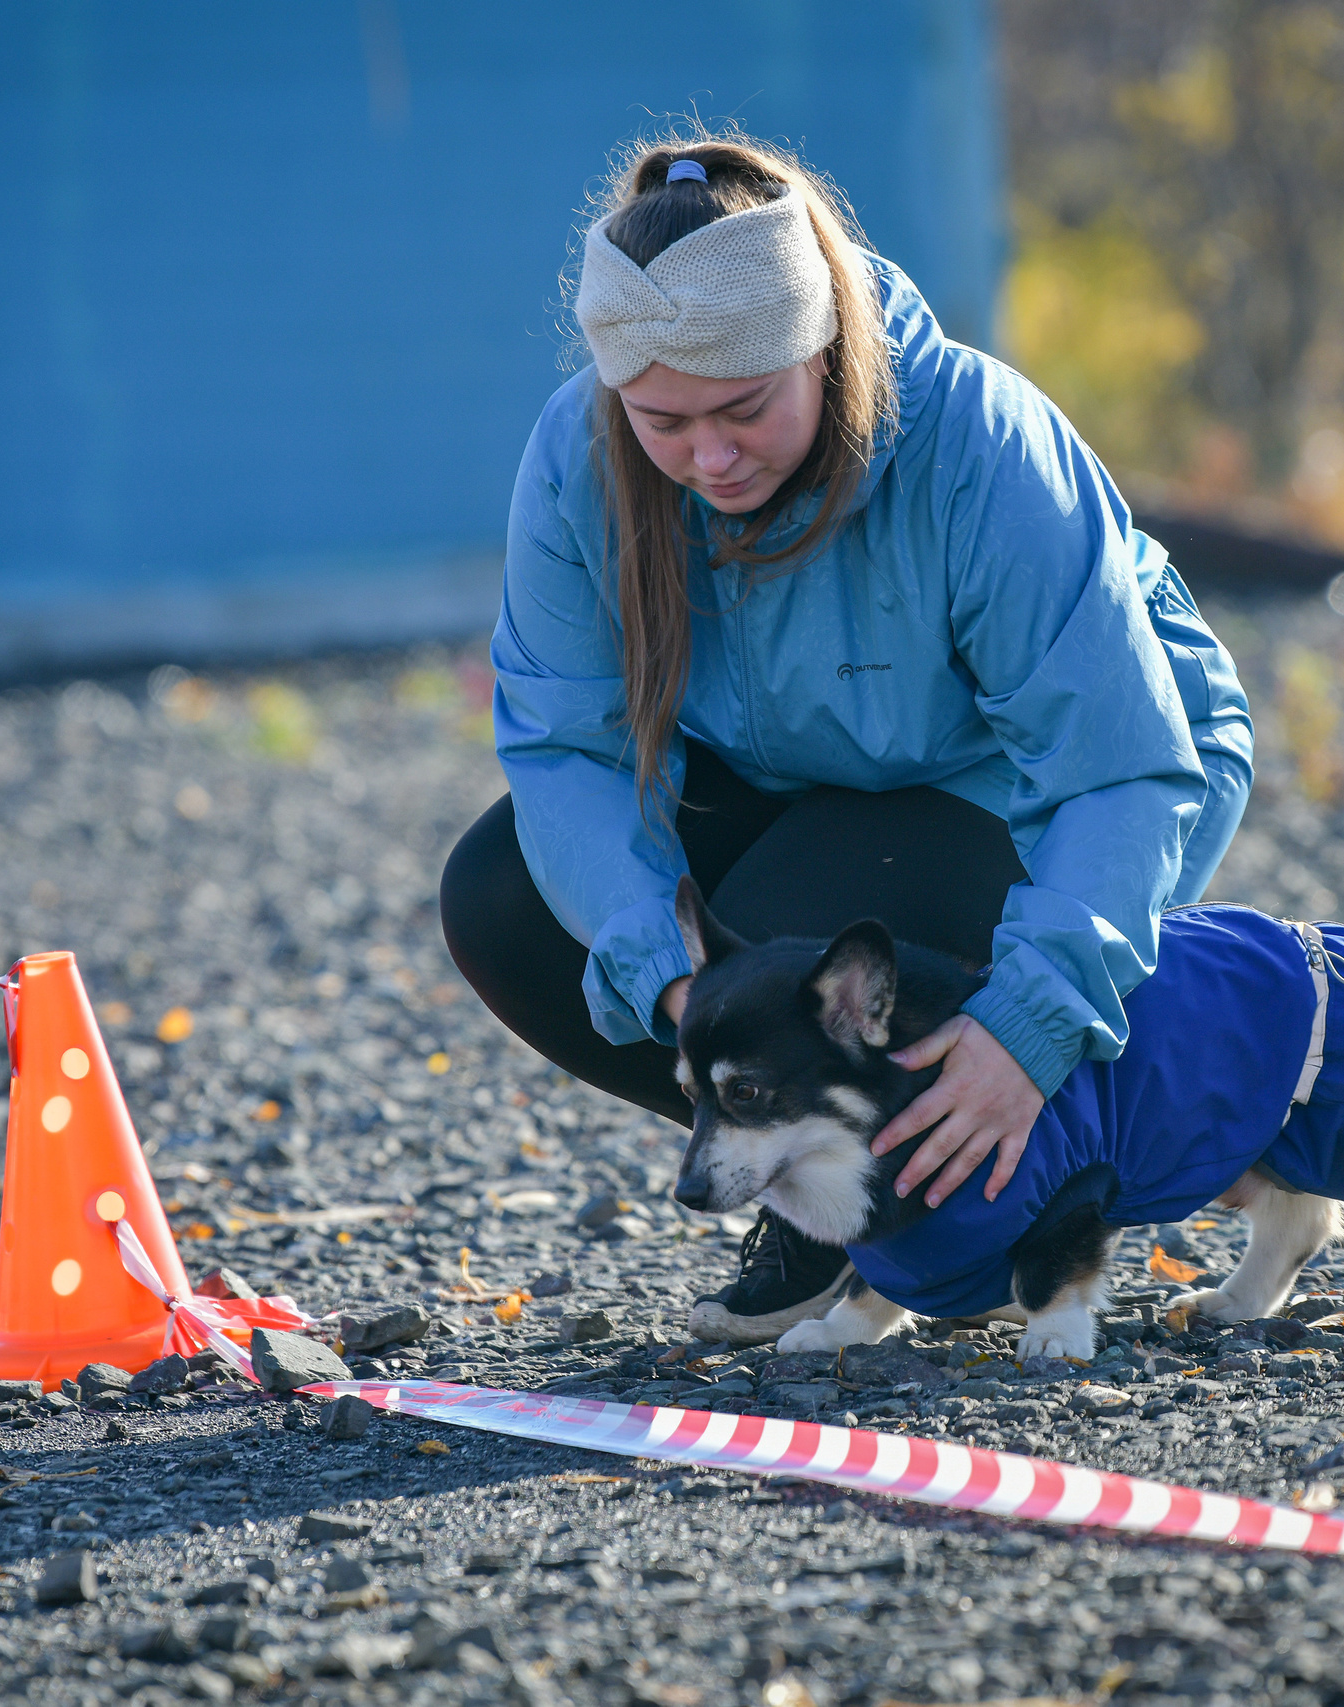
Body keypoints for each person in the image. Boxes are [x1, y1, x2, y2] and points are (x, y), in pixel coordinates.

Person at [439, 132, 1253, 1344]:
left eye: (744, 408)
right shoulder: (577, 456)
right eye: (664, 422)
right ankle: (840, 1185)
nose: (709, 457)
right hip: (808, 771)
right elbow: (570, 753)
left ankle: (952, 1204)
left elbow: (1115, 769)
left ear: (821, 351)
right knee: (504, 895)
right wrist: (672, 981)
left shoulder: (977, 441)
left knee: (793, 929)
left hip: (1044, 779)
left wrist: (1028, 1029)